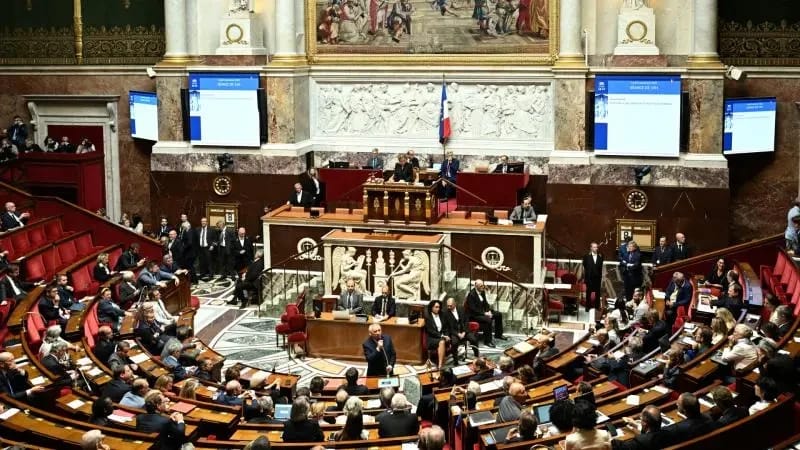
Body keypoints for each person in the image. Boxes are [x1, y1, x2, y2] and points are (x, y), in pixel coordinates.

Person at [466, 279, 506, 347]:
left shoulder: (482, 292)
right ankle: (488, 341)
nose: (483, 287)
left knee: (498, 314)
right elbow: (473, 309)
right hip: (475, 315)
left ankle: (498, 334)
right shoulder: (471, 295)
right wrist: (485, 314)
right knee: (488, 320)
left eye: (483, 285)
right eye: (481, 286)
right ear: (476, 286)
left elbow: (485, 303)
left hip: (483, 312)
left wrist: (489, 311)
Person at [443, 296, 479, 362]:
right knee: (454, 343)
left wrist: (464, 332)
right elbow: (448, 327)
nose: (449, 307)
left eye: (450, 306)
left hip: (464, 331)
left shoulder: (461, 309)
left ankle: (476, 356)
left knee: (474, 339)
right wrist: (457, 334)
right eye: (448, 306)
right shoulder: (445, 313)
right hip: (454, 332)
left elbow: (466, 321)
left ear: (455, 304)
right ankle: (455, 360)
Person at [424, 299, 451, 368]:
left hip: (442, 337)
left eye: (439, 307)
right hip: (432, 338)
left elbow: (446, 327)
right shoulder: (428, 317)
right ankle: (440, 365)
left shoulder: (442, 315)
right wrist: (442, 336)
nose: (438, 309)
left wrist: (446, 335)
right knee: (442, 342)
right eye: (436, 307)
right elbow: (430, 331)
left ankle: (441, 363)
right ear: (431, 307)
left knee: (443, 341)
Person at [581, 242, 604, 311]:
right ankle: (588, 306)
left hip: (597, 277)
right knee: (588, 292)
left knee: (598, 292)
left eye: (596, 247)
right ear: (591, 248)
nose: (596, 248)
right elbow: (585, 265)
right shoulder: (586, 256)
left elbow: (600, 266)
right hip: (589, 277)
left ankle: (597, 306)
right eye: (594, 247)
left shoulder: (600, 256)